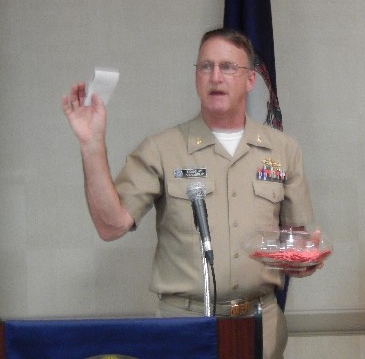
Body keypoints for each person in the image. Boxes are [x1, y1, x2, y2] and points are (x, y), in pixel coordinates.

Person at [62, 28, 319, 359]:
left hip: (260, 324)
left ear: (251, 80)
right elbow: (110, 225)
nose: (215, 77)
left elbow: (297, 238)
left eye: (228, 67)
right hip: (183, 325)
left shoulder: (283, 149)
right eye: (205, 67)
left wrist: (305, 256)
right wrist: (91, 143)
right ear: (196, 78)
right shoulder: (163, 149)